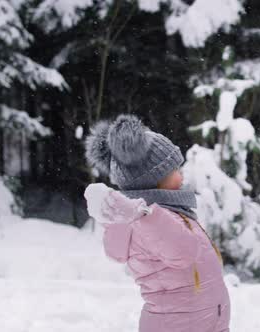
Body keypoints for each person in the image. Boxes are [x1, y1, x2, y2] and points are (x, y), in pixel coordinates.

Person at [83, 114, 230, 332]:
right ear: (152, 179)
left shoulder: (169, 213)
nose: (181, 176)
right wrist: (142, 215)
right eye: (174, 171)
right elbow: (184, 251)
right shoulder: (144, 221)